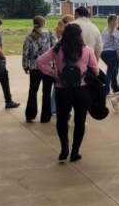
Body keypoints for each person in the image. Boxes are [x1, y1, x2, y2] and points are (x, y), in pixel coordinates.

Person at [36, 23, 97, 162]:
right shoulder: (86, 50)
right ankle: (75, 152)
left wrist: (55, 74)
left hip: (62, 89)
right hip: (81, 89)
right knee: (80, 121)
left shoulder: (57, 49)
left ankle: (64, 148)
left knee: (62, 119)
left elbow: (40, 62)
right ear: (79, 35)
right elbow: (95, 69)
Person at [23, 16, 56, 123]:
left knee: (32, 91)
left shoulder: (29, 37)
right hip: (48, 67)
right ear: (44, 23)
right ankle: (45, 117)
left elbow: (25, 53)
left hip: (34, 67)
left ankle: (30, 115)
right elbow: (55, 50)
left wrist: (25, 65)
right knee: (46, 93)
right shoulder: (50, 34)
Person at [100, 15, 119, 95]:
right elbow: (117, 46)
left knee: (114, 70)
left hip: (103, 53)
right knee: (110, 72)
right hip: (112, 53)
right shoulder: (115, 31)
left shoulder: (104, 30)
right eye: (117, 21)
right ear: (114, 21)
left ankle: (115, 87)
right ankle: (106, 90)